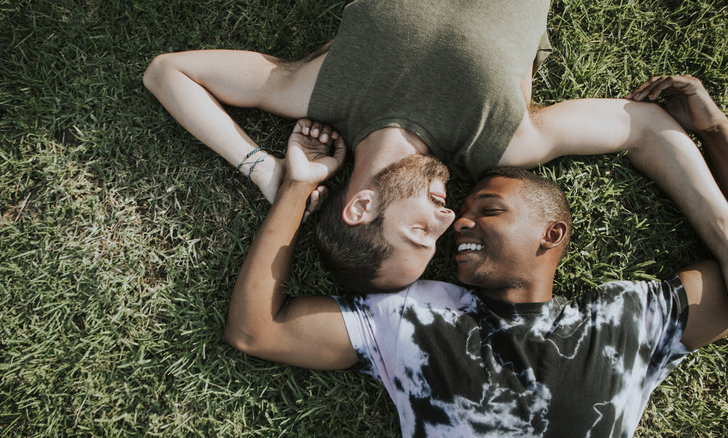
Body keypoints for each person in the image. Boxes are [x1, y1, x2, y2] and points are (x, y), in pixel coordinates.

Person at [224, 75, 728, 436]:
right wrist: (299, 187)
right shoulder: (411, 316)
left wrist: (715, 133)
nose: (458, 223)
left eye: (488, 210)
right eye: (459, 211)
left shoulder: (627, 322)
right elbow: (256, 330)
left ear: (552, 234)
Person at [143, 0, 728, 294]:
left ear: (360, 207)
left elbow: (168, 72)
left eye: (423, 232)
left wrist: (270, 175)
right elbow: (645, 126)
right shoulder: (504, 142)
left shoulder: (313, 91)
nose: (450, 217)